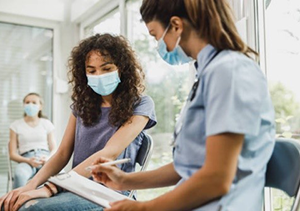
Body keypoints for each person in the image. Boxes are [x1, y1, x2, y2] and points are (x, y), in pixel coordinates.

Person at [89, 0, 276, 211]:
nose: (157, 43)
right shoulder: (207, 74)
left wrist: (143, 208)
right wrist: (124, 180)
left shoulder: (228, 72)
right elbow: (187, 166)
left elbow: (217, 179)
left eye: (154, 35)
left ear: (176, 25)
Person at [0, 33, 156, 211]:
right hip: (75, 186)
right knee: (8, 204)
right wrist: (31, 185)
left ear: (122, 68)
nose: (98, 75)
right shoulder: (81, 106)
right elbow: (62, 154)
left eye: (106, 69)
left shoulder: (141, 104)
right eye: (91, 70)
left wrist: (50, 188)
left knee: (32, 209)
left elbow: (109, 153)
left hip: (110, 193)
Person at [9, 93, 56, 189]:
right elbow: (12, 154)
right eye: (27, 102)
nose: (30, 105)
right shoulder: (15, 125)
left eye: (34, 102)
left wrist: (48, 159)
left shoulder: (46, 124)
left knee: (60, 175)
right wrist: (28, 161)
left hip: (45, 158)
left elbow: (54, 148)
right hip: (26, 160)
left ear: (40, 106)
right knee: (19, 175)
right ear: (23, 105)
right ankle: (16, 202)